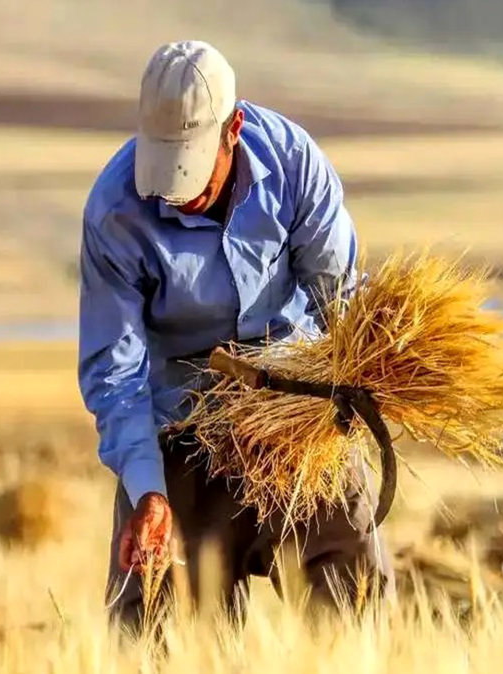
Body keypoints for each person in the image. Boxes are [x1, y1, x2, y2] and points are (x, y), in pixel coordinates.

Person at [77, 40, 394, 633]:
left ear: (234, 129)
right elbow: (114, 372)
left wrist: (358, 386)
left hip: (296, 412)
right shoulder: (114, 212)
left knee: (356, 603)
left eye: (192, 165)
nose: (177, 188)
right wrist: (148, 491)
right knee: (150, 618)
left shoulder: (296, 165)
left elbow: (339, 301)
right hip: (182, 421)